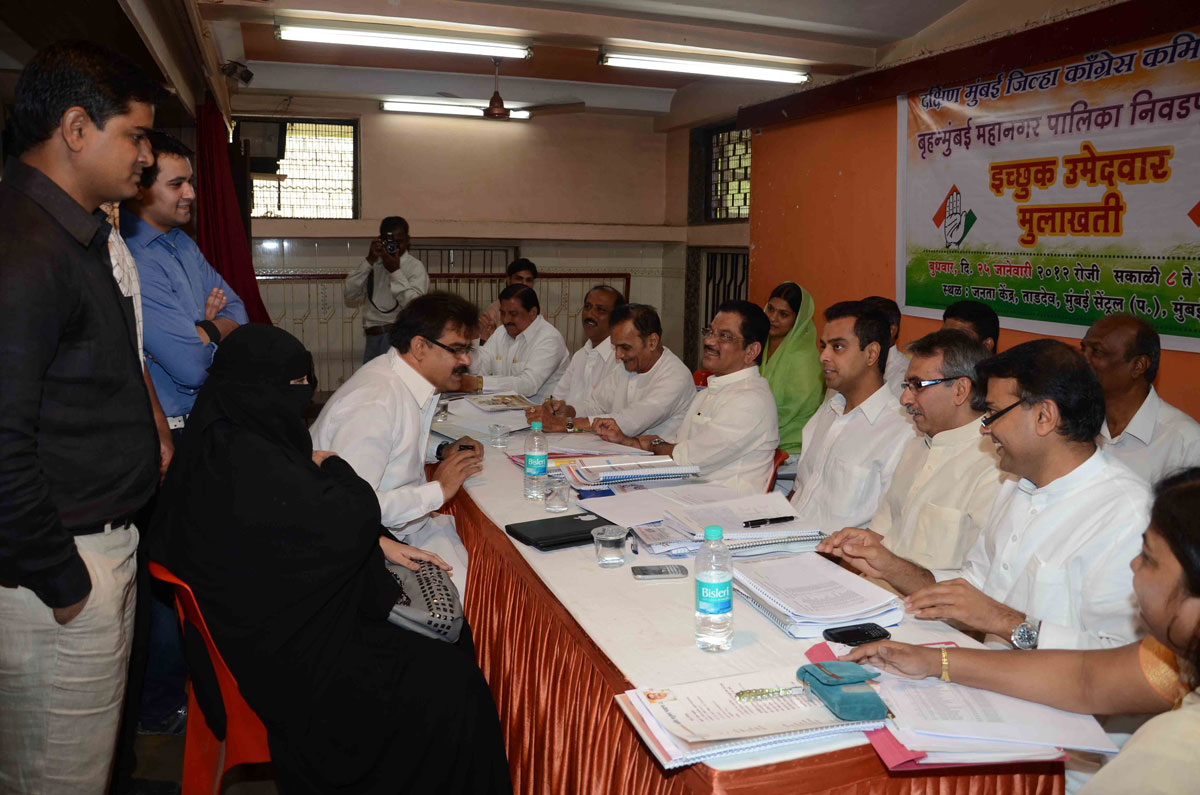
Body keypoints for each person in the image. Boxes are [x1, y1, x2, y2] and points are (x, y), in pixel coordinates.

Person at [150, 324, 511, 794]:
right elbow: (350, 519)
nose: (303, 396)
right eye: (295, 385)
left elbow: (315, 526)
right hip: (288, 667)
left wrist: (358, 522)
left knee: (441, 657)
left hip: (252, 629)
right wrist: (336, 468)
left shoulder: (216, 441)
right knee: (452, 684)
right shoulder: (250, 461)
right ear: (261, 388)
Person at [0, 41, 164, 793]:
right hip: (58, 572)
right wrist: (66, 582)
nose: (147, 156)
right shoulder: (27, 249)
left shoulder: (79, 234)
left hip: (89, 552)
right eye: (135, 134)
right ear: (75, 129)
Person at [842, 467, 1200, 795]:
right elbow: (1086, 677)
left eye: (1150, 559)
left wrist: (993, 627)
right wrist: (934, 661)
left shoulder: (1178, 747)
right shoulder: (1177, 659)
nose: (1134, 564)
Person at [823, 339, 1149, 650]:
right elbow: (972, 589)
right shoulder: (1017, 485)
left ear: (1044, 417)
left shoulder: (1127, 514)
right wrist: (890, 566)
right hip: (989, 678)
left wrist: (1002, 621)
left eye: (993, 413)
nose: (984, 427)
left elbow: (1123, 660)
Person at [310, 293, 485, 596]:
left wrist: (440, 451)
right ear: (419, 347)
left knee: (478, 571)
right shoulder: (375, 400)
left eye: (468, 350)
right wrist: (439, 489)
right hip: (365, 547)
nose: (466, 360)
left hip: (401, 527)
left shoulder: (400, 375)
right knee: (467, 596)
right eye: (457, 350)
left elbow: (396, 437)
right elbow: (354, 508)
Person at [818, 329, 1005, 571]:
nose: (904, 398)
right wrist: (861, 545)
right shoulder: (916, 445)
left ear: (960, 390)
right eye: (906, 385)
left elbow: (974, 583)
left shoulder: (994, 467)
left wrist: (892, 569)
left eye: (918, 385)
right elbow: (885, 536)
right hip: (877, 592)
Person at [122, 130, 248, 439]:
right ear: (140, 188)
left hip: (202, 415)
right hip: (167, 428)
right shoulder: (132, 256)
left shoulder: (183, 243)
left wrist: (201, 332)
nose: (190, 194)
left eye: (189, 182)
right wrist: (214, 325)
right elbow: (191, 366)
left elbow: (239, 311)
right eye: (177, 184)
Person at [603, 300, 779, 495]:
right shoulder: (709, 392)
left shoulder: (751, 400)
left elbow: (688, 459)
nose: (709, 341)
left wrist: (654, 444)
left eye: (725, 336)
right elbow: (679, 446)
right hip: (687, 495)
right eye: (710, 332)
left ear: (751, 351)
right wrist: (629, 442)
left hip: (725, 508)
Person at [789, 301, 914, 533]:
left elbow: (887, 530)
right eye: (823, 346)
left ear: (871, 354)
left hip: (834, 561)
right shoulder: (829, 410)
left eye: (837, 347)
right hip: (787, 541)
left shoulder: (900, 432)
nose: (823, 357)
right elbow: (801, 491)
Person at [528, 303, 694, 440]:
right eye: (615, 347)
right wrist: (567, 412)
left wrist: (562, 424)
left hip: (660, 465)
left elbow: (629, 421)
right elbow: (596, 404)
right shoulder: (627, 367)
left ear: (652, 342)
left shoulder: (675, 376)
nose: (618, 355)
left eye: (625, 347)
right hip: (620, 453)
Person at [1081, 314, 1200, 483]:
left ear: (1138, 366)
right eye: (1083, 349)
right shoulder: (1073, 424)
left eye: (1096, 351)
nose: (1082, 360)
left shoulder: (1185, 444)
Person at [760, 282, 824, 486]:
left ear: (798, 320)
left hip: (790, 454)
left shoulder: (804, 358)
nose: (773, 318)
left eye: (783, 314)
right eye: (770, 309)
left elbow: (790, 411)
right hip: (760, 443)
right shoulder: (759, 346)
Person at [460, 284, 569, 403]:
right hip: (506, 409)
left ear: (532, 312)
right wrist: (473, 337)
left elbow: (529, 384)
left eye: (513, 314)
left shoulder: (549, 338)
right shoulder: (501, 332)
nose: (506, 320)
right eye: (502, 313)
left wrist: (479, 383)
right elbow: (479, 368)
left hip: (543, 413)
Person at [344, 216, 429, 363]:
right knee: (371, 383)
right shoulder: (373, 264)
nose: (395, 246)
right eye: (390, 242)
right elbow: (350, 293)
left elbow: (416, 307)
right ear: (380, 240)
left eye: (399, 241)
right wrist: (369, 260)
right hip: (372, 338)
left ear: (408, 240)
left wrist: (395, 271)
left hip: (399, 339)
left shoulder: (414, 267)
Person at [548, 284, 624, 409]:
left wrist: (570, 414)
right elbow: (558, 397)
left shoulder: (620, 359)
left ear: (617, 319)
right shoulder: (580, 355)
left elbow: (606, 410)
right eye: (587, 307)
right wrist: (551, 406)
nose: (590, 315)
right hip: (568, 425)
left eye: (600, 310)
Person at [478, 257, 536, 344]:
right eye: (519, 279)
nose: (524, 284)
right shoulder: (494, 310)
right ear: (508, 280)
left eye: (528, 280)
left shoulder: (538, 311)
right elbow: (484, 345)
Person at [863, 295, 908, 396]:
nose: (858, 333)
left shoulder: (905, 377)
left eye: (867, 326)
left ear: (891, 331)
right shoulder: (847, 366)